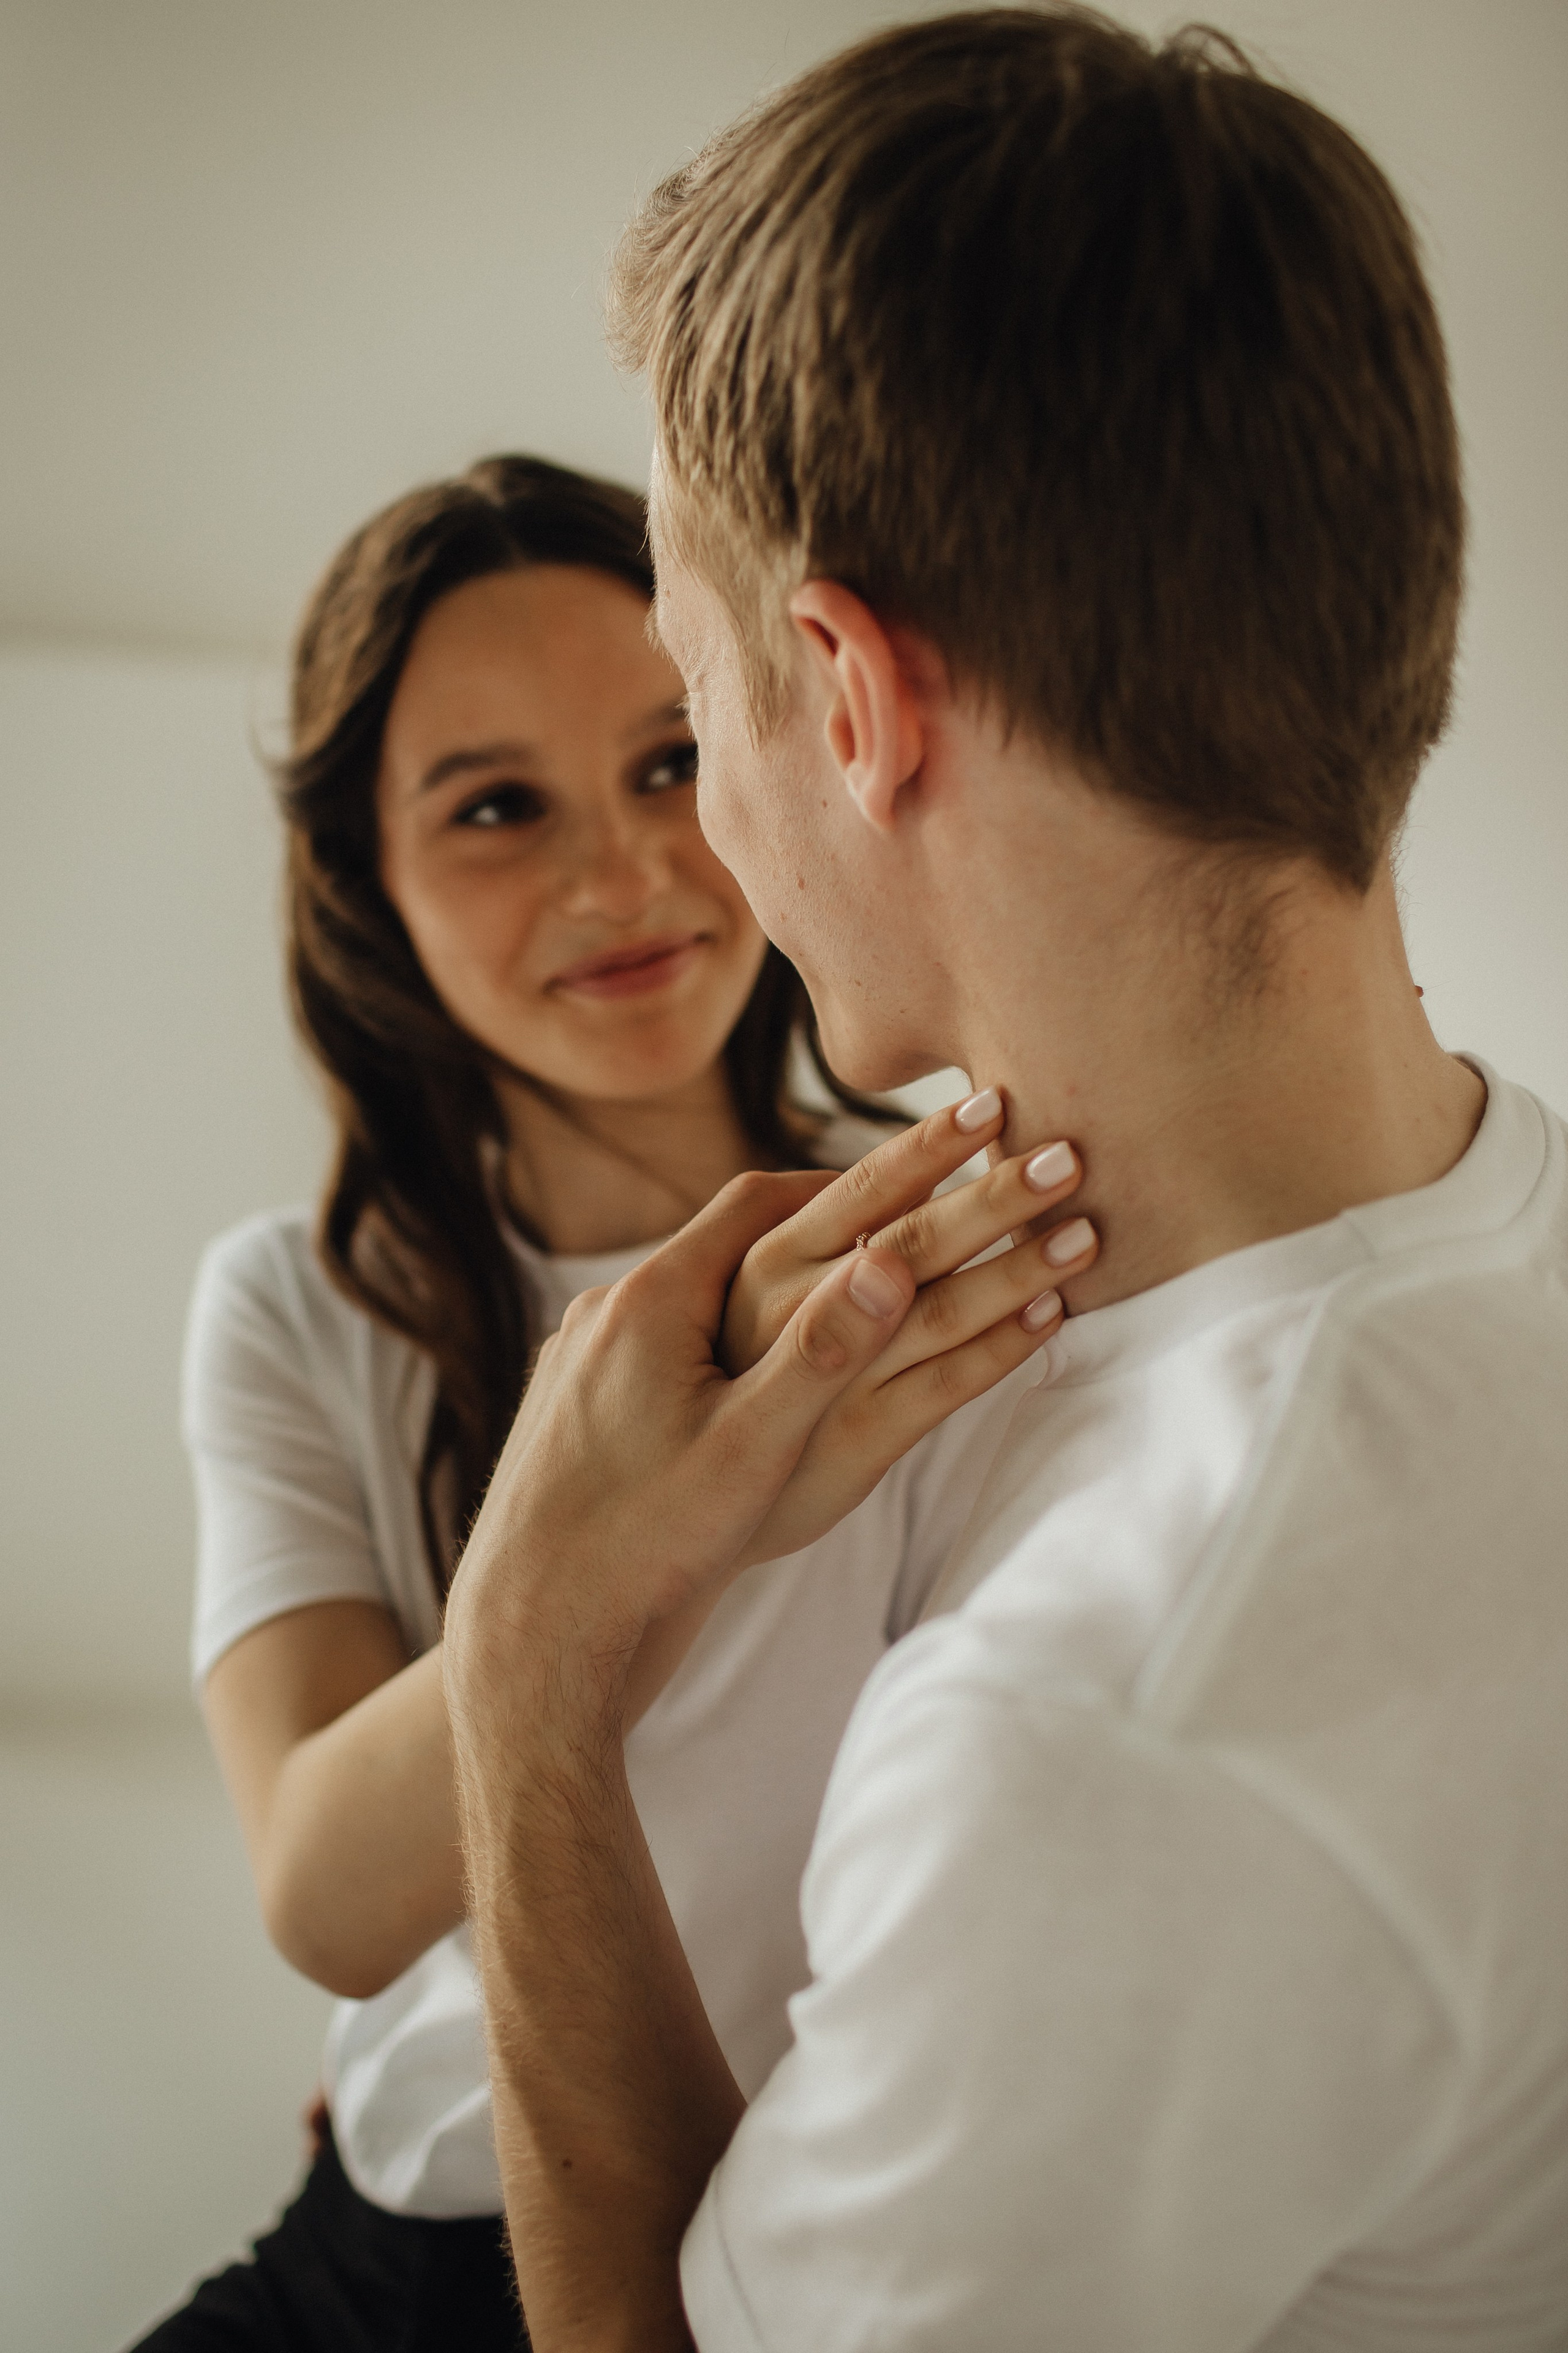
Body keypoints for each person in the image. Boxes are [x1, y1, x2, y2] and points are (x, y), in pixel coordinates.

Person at [440, 12, 1568, 2352]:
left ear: (847, 697)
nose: (706, 827)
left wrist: (530, 1685)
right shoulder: (1495, 1249)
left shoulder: (1124, 1728)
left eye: (694, 692)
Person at [134, 455, 1101, 2351]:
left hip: (812, 2248)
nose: (622, 873)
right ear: (367, 884)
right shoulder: (299, 1303)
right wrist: (614, 1528)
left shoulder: (968, 1218)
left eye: (672, 760)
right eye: (497, 807)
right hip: (393, 2244)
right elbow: (327, 1891)